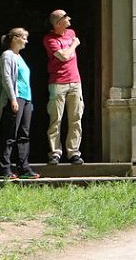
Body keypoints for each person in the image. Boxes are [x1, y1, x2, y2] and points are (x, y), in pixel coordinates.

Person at [0, 28, 40, 180]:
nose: (26, 41)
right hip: (15, 98)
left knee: (24, 135)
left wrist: (28, 101)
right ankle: (4, 169)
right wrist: (12, 99)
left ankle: (24, 168)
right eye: (24, 37)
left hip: (26, 99)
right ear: (15, 38)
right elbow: (6, 77)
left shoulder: (20, 57)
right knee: (10, 135)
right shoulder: (7, 55)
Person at [43, 9, 84, 165]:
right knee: (56, 119)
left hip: (75, 81)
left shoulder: (71, 32)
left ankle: (73, 152)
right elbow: (64, 56)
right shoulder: (49, 39)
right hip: (57, 82)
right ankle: (55, 152)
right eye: (67, 17)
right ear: (58, 22)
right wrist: (74, 44)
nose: (70, 19)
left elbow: (65, 55)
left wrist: (69, 47)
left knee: (76, 118)